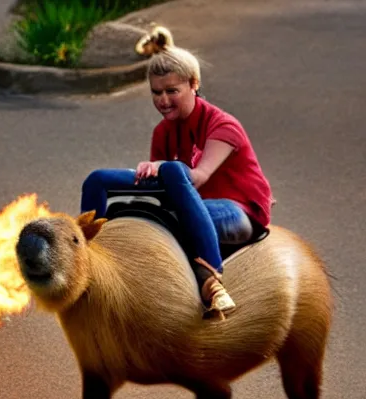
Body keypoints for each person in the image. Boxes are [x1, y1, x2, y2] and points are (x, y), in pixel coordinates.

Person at [80, 42, 273, 319]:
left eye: (172, 91)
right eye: (156, 92)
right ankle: (90, 264)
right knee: (98, 180)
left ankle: (212, 283)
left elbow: (197, 177)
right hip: (189, 206)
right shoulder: (163, 132)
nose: (163, 100)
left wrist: (162, 167)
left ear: (194, 84)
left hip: (237, 213)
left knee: (170, 204)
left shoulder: (223, 126)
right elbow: (165, 192)